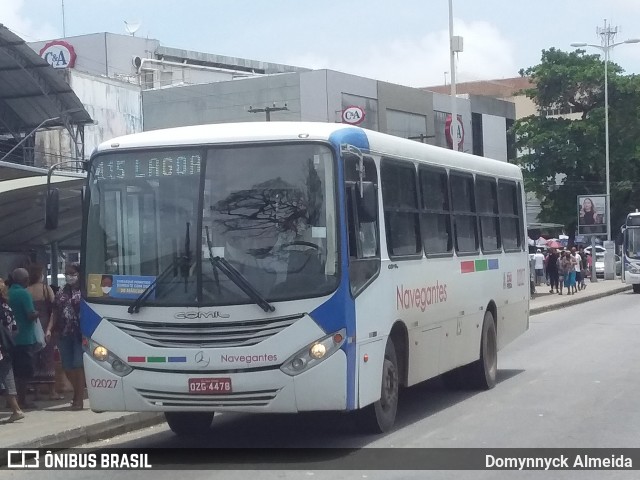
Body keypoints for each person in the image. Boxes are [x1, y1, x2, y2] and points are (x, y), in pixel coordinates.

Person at [46, 263, 85, 410]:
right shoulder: (62, 291)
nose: (69, 276)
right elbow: (55, 312)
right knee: (67, 366)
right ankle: (77, 392)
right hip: (63, 333)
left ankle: (79, 399)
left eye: (72, 273)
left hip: (79, 334)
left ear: (79, 274)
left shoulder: (85, 291)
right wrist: (49, 329)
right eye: (67, 273)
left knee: (78, 364)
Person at [26, 263, 63, 400]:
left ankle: (36, 392)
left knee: (34, 359)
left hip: (32, 329)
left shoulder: (27, 291)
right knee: (48, 359)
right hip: (46, 327)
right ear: (40, 275)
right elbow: (54, 310)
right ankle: (52, 391)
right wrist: (49, 329)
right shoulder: (46, 289)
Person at [7, 267, 39, 409]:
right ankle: (22, 400)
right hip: (24, 338)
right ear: (25, 280)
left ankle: (10, 400)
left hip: (8, 338)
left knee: (11, 371)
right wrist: (37, 313)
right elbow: (29, 315)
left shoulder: (7, 292)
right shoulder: (23, 294)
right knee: (24, 372)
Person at [0, 278, 25, 422]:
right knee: (7, 377)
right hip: (7, 346)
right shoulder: (6, 307)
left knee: (5, 378)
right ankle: (16, 409)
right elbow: (14, 328)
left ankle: (16, 409)